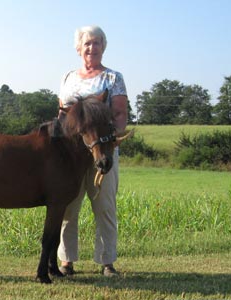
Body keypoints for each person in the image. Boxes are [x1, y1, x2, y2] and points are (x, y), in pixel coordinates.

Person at [56, 25, 128, 277]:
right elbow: (61, 114)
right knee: (68, 207)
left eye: (97, 42)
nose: (92, 47)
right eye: (87, 43)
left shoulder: (113, 78)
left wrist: (112, 141)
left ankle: (107, 262)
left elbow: (119, 113)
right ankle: (66, 261)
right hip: (71, 158)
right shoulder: (67, 77)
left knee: (104, 207)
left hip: (103, 154)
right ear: (79, 48)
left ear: (103, 47)